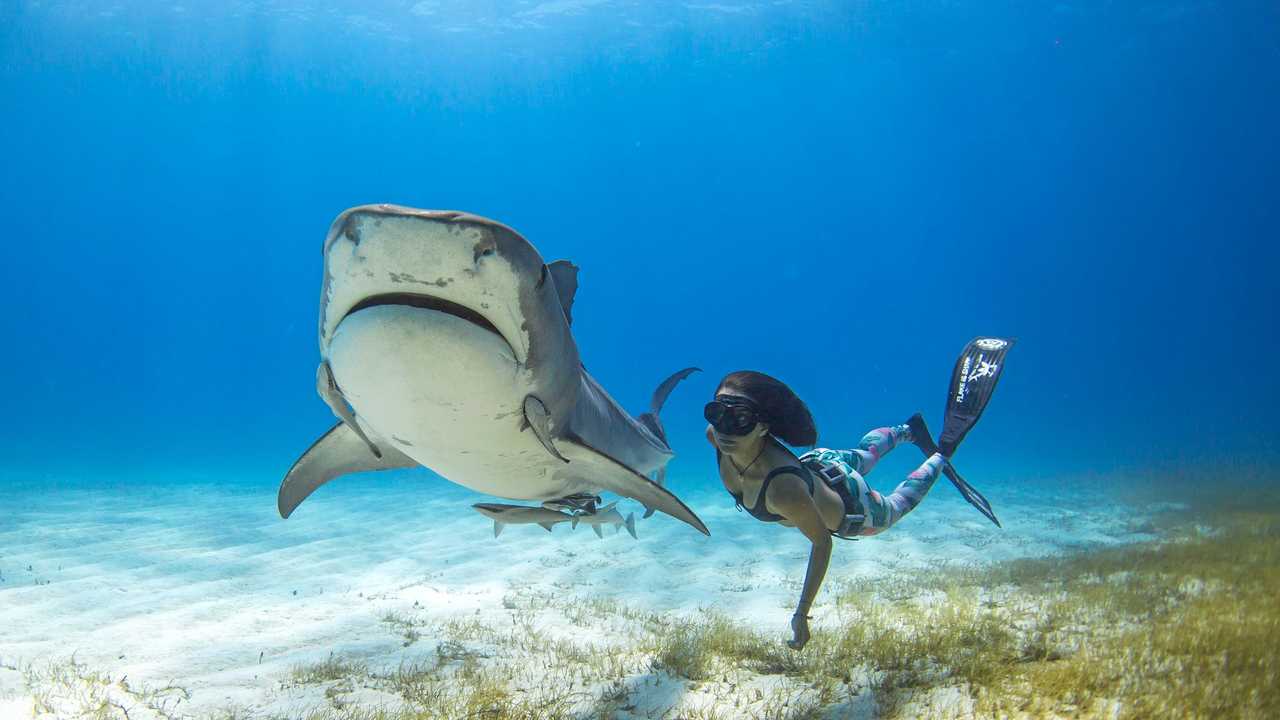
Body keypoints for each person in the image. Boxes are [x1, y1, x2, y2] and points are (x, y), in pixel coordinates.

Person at [704, 370, 952, 651]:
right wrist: (732, 420)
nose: (724, 428)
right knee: (865, 454)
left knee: (896, 506)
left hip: (853, 506)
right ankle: (909, 430)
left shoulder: (783, 491)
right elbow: (724, 429)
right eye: (716, 413)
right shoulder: (717, 436)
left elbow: (822, 542)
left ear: (763, 426)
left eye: (740, 418)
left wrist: (801, 614)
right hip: (819, 462)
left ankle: (941, 454)